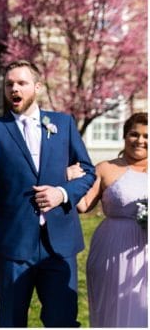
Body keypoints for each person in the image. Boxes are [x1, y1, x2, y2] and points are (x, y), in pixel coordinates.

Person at [0, 60, 95, 328]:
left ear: (36, 87)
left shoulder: (63, 124)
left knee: (62, 321)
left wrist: (62, 193)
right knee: (12, 321)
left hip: (59, 246)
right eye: (9, 84)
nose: (14, 89)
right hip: (12, 246)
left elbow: (88, 171)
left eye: (21, 83)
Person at [78, 112, 147, 328]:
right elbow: (83, 205)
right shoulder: (106, 168)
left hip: (145, 252)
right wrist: (69, 177)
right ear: (125, 136)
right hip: (111, 248)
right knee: (111, 309)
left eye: (147, 136)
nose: (140, 140)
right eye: (134, 134)